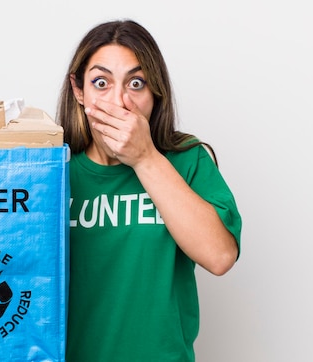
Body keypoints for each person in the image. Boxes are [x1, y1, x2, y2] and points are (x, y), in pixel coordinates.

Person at [56, 19, 242, 362]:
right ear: (79, 91)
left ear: (155, 93)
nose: (120, 101)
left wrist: (145, 158)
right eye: (101, 83)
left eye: (136, 83)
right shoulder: (53, 173)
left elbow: (220, 257)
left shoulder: (187, 161)